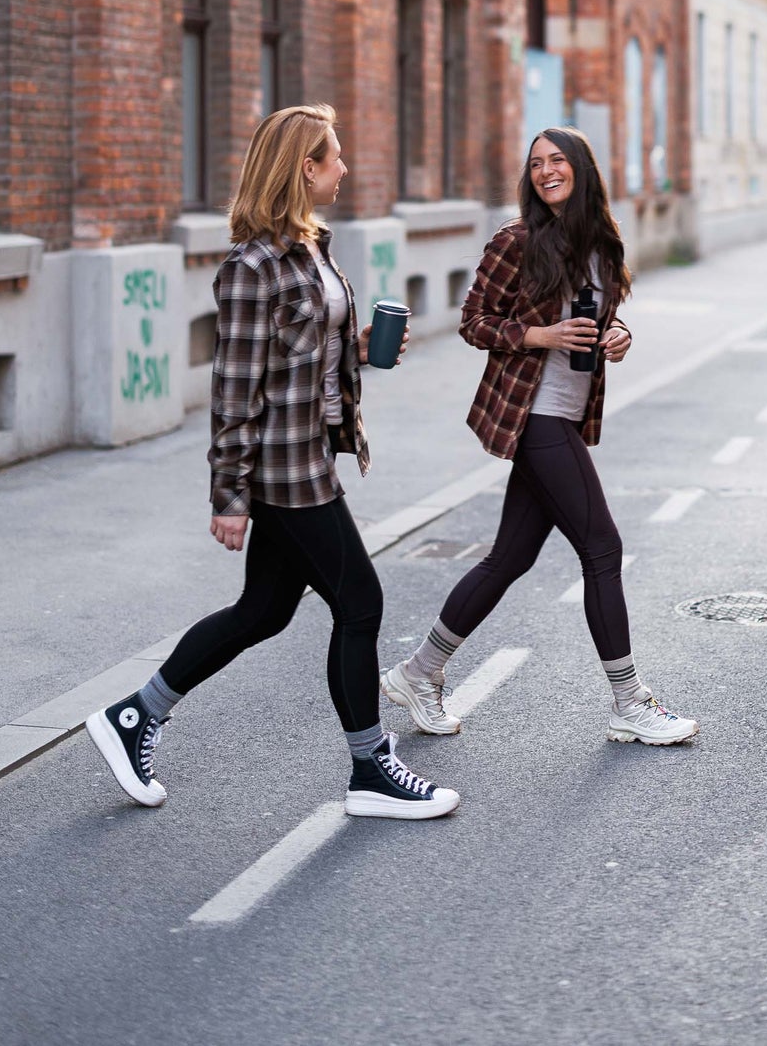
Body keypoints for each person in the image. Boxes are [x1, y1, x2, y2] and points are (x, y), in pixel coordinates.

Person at [86, 105, 459, 821]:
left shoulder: (312, 247)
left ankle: (135, 715)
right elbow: (234, 390)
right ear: (304, 168)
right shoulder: (251, 266)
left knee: (262, 611)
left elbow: (301, 353)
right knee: (361, 603)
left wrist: (354, 350)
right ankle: (370, 769)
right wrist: (228, 496)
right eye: (334, 157)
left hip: (312, 454)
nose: (345, 167)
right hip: (285, 473)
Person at [381, 127, 699, 747]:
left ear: (581, 168)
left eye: (557, 161)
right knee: (602, 549)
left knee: (510, 557)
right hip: (534, 413)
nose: (546, 171)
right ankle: (630, 702)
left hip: (567, 411)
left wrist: (618, 334)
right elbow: (474, 322)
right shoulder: (517, 239)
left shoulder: (601, 241)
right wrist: (540, 336)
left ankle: (418, 671)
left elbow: (603, 315)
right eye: (535, 164)